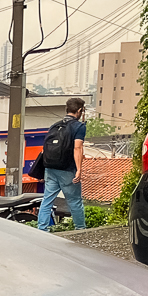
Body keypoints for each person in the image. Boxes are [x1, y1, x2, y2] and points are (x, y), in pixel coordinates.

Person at [38, 97, 87, 232]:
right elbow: (77, 148)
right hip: (67, 169)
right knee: (75, 201)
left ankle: (42, 229)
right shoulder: (79, 127)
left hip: (50, 168)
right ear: (79, 110)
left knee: (47, 200)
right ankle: (80, 230)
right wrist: (79, 169)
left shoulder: (54, 126)